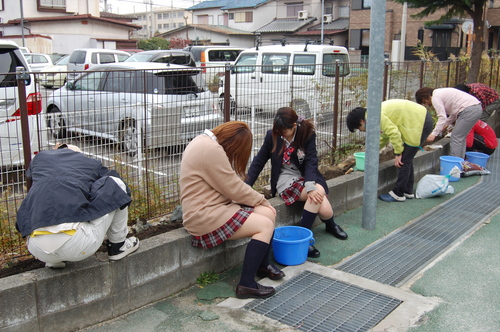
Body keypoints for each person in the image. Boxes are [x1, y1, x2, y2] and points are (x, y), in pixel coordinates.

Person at [179, 121, 284, 300]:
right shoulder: (210, 149)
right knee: (265, 225)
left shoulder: (205, 142)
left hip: (214, 207)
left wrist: (262, 205)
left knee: (267, 214)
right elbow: (233, 187)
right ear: (233, 143)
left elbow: (228, 187)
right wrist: (261, 200)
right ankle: (246, 285)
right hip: (204, 216)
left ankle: (262, 265)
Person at [245, 107, 348, 259]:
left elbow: (312, 161)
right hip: (285, 177)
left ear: (294, 126)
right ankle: (304, 239)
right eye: (278, 131)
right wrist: (245, 187)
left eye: (284, 131)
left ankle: (328, 224)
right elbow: (258, 162)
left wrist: (310, 184)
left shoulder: (306, 134)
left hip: (305, 174)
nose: (281, 134)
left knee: (325, 210)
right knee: (318, 195)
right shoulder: (272, 135)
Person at [16, 143, 139, 269]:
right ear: (78, 154)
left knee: (43, 198)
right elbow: (119, 188)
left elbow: (31, 176)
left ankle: (54, 261)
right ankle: (118, 247)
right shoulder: (89, 163)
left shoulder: (39, 159)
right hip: (78, 245)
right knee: (116, 184)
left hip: (37, 249)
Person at [346, 100, 434, 202]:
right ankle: (407, 191)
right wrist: (370, 152)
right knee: (407, 159)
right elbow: (384, 136)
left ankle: (398, 194)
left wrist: (398, 153)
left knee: (403, 161)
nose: (361, 130)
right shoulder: (372, 115)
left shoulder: (376, 116)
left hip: (420, 122)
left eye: (358, 128)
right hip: (418, 120)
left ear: (361, 121)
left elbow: (394, 133)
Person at [415, 87, 482, 159]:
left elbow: (442, 117)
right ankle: (460, 161)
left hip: (469, 110)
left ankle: (455, 163)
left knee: (456, 137)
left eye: (424, 101)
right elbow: (453, 114)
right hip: (475, 108)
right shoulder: (440, 93)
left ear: (425, 96)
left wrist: (433, 134)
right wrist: (445, 124)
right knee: (460, 138)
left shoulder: (435, 97)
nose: (427, 104)